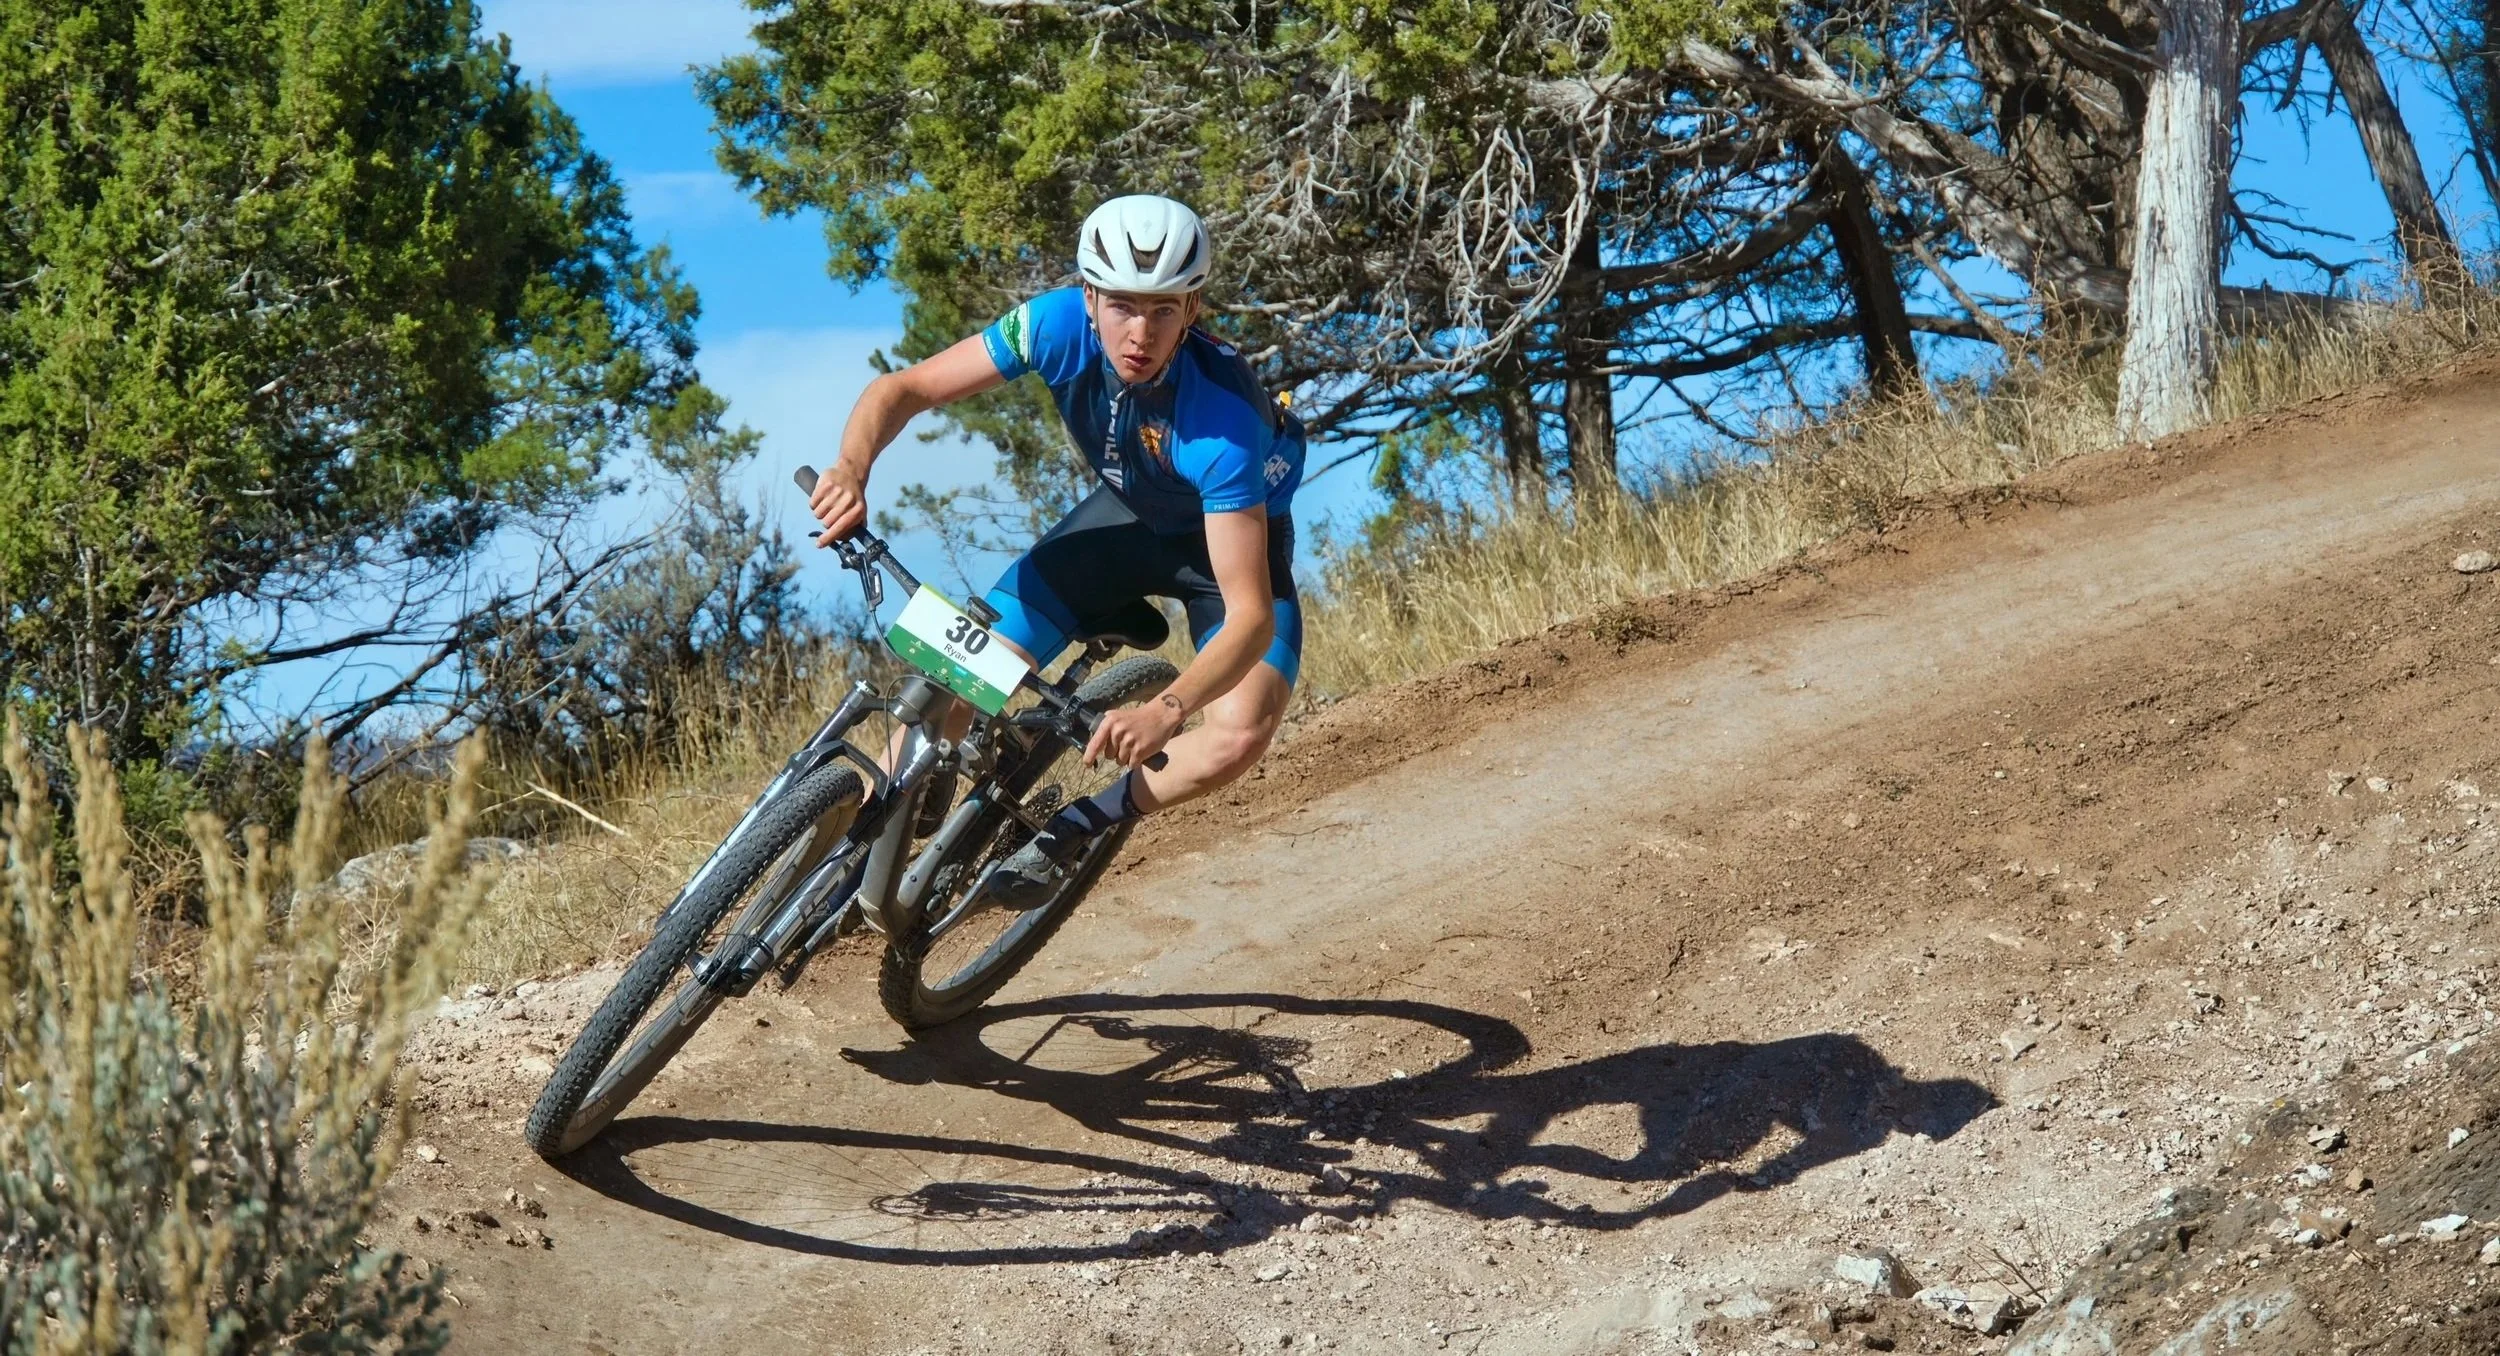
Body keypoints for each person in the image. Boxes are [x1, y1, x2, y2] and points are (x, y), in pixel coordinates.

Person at [807, 194, 1305, 908]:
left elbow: (1251, 615)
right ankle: (843, 852)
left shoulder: (1221, 421)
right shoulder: (1053, 326)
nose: (1141, 331)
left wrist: (1168, 709)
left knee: (1237, 735)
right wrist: (852, 470)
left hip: (1222, 552)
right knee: (959, 675)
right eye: (1124, 306)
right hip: (1121, 525)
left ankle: (1076, 825)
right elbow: (903, 389)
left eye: (1165, 310)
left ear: (1193, 311)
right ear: (1090, 295)